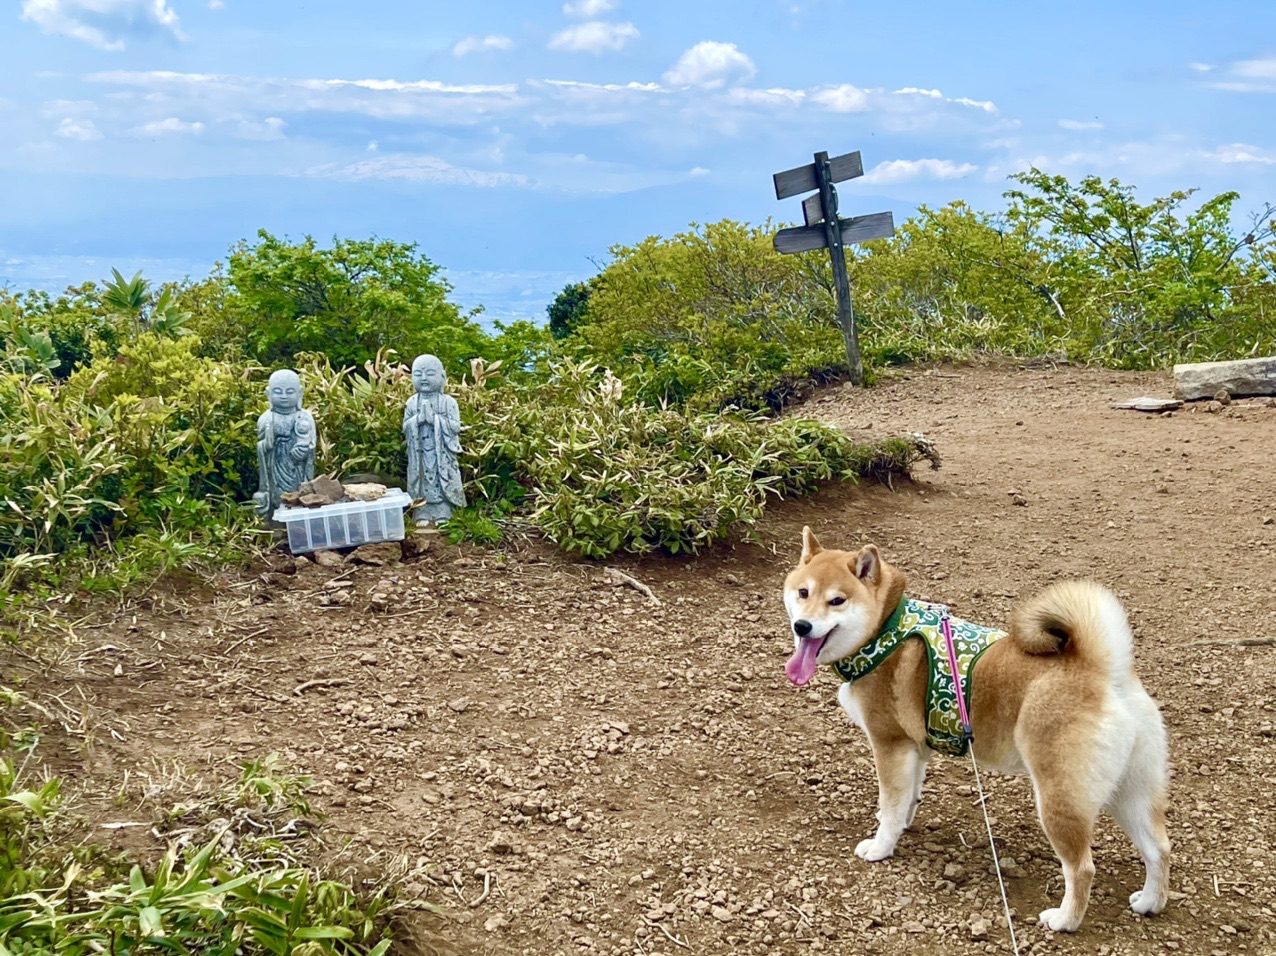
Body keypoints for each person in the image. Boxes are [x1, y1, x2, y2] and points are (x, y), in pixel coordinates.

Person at [402, 354, 466, 524]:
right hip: (419, 453)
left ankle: (444, 512)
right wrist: (418, 419)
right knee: (421, 481)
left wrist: (434, 420)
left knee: (443, 479)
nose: (423, 378)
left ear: (442, 376)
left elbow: (455, 426)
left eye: (430, 373)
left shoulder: (448, 402)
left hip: (442, 454)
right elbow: (405, 426)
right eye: (418, 374)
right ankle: (421, 513)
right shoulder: (411, 402)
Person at [252, 369, 316, 517]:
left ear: (300, 393)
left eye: (289, 392)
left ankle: (299, 517)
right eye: (278, 392)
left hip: (297, 468)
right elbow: (260, 446)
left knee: (299, 494)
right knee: (276, 497)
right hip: (274, 468)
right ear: (268, 393)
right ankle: (274, 518)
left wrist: (305, 450)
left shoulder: (305, 417)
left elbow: (311, 444)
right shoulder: (266, 419)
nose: (284, 396)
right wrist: (265, 446)